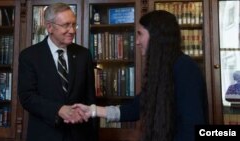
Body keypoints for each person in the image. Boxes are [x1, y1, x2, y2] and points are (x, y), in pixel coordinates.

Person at [73, 10, 208, 141]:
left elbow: (191, 127)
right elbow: (134, 109)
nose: (137, 41)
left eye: (140, 34)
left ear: (156, 37)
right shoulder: (161, 69)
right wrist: (92, 110)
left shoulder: (186, 68)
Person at [18, 3, 97, 141]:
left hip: (79, 135)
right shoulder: (29, 56)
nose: (72, 30)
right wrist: (58, 109)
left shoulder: (83, 55)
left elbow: (90, 98)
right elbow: (27, 97)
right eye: (66, 25)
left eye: (74, 25)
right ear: (50, 27)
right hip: (45, 134)